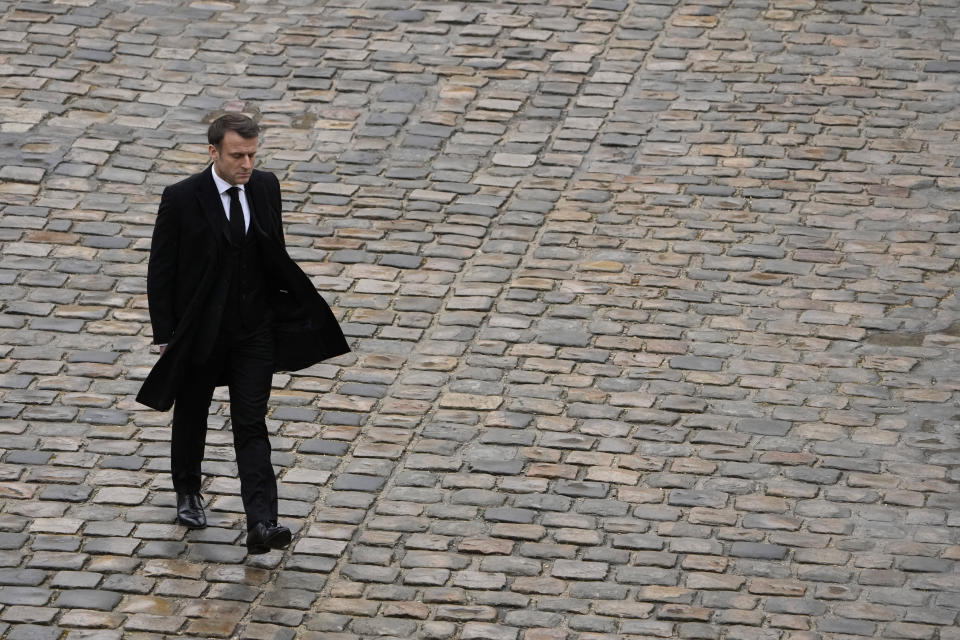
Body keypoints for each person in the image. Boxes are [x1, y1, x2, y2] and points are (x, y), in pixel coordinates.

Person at [136, 113, 350, 554]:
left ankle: (262, 522)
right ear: (214, 152)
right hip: (201, 329)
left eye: (253, 154)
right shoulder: (182, 198)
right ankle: (188, 490)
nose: (247, 164)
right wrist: (165, 333)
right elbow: (162, 270)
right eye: (238, 156)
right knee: (192, 410)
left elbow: (275, 250)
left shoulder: (266, 186)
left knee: (251, 422)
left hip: (255, 331)